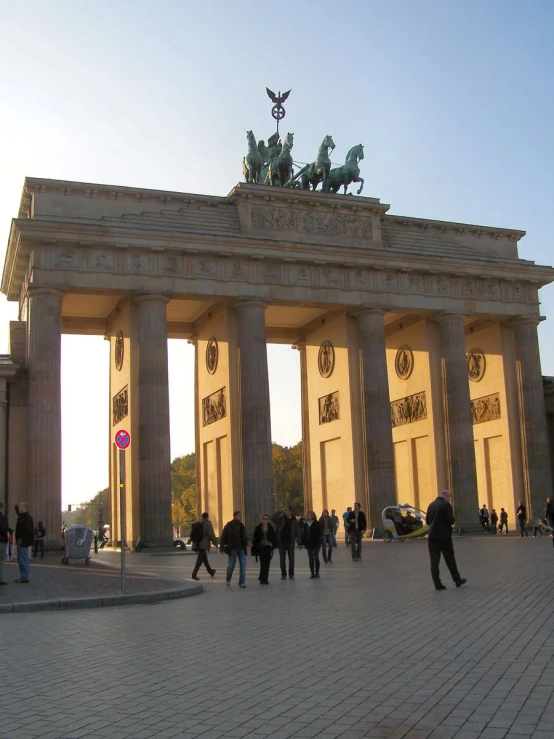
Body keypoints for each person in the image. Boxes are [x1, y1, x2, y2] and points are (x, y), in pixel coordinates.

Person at [425, 490, 466, 591]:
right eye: (449, 497)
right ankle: (457, 580)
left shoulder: (431, 505)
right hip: (444, 537)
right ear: (446, 496)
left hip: (432, 537)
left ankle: (437, 584)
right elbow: (450, 520)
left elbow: (427, 521)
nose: (450, 499)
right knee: (450, 559)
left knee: (434, 561)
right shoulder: (446, 505)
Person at [220, 510, 250, 588]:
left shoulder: (241, 525)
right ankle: (228, 579)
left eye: (241, 515)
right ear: (235, 516)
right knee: (231, 566)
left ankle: (242, 582)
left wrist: (248, 541)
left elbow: (244, 536)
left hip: (241, 548)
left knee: (243, 565)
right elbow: (223, 537)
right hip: (232, 548)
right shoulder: (229, 525)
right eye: (239, 515)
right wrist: (222, 548)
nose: (241, 517)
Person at [191, 512, 217, 581]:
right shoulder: (207, 523)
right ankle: (194, 573)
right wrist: (215, 543)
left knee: (204, 558)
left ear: (202, 516)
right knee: (200, 559)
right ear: (207, 517)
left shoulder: (198, 523)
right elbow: (211, 534)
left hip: (197, 543)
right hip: (203, 543)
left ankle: (211, 571)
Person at [252, 514, 278, 584]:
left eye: (266, 519)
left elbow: (274, 538)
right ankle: (262, 579)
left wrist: (272, 545)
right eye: (263, 518)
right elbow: (255, 538)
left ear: (268, 520)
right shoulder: (258, 528)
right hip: (261, 547)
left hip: (268, 548)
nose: (264, 520)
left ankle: (265, 579)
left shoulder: (271, 528)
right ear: (261, 519)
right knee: (263, 562)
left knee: (267, 563)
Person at [276, 505, 299, 579]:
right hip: (282, 542)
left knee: (291, 559)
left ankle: (291, 574)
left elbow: (297, 532)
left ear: (290, 511)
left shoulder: (294, 521)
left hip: (290, 542)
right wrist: (280, 511)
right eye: (284, 510)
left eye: (286, 510)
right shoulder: (281, 519)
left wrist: (299, 542)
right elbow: (272, 517)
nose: (285, 511)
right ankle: (283, 574)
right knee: (282, 559)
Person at [15, 502, 34, 584]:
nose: (19, 509)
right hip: (22, 540)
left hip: (23, 540)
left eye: (20, 507)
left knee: (23, 559)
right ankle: (23, 576)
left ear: (24, 508)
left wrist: (23, 539)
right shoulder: (24, 517)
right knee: (21, 559)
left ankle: (25, 577)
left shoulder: (26, 518)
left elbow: (28, 531)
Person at [301, 511, 322, 579]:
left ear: (313, 516)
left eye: (310, 515)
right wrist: (303, 543)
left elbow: (319, 533)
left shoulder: (317, 523)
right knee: (310, 558)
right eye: (307, 515)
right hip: (309, 544)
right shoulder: (305, 524)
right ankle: (312, 573)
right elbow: (304, 534)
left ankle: (317, 572)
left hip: (316, 543)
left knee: (316, 557)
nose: (308, 516)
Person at [0, 502, 8, 585]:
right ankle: (0, 579)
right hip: (1, 542)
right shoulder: (2, 517)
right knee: (1, 561)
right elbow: (4, 529)